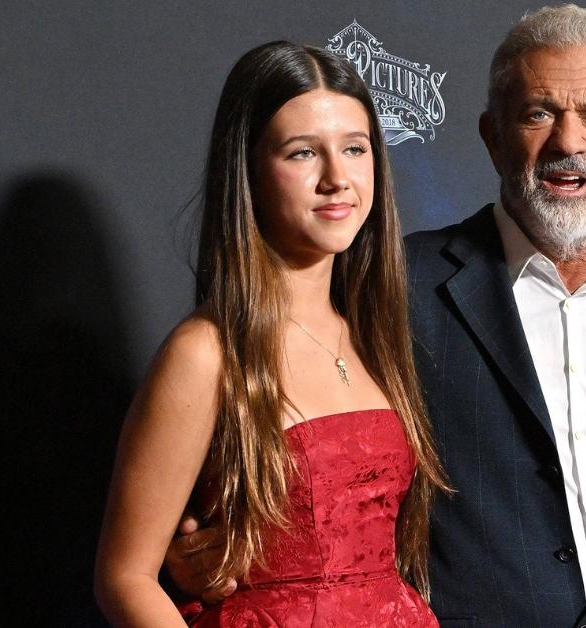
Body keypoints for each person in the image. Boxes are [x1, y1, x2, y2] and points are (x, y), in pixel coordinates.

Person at [169, 6, 586, 625]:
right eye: (538, 114)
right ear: (492, 135)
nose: (569, 143)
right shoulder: (390, 288)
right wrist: (216, 545)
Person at [94, 41, 448, 627]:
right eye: (303, 152)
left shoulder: (372, 336)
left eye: (355, 149)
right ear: (250, 170)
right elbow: (125, 578)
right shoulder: (206, 352)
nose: (337, 178)